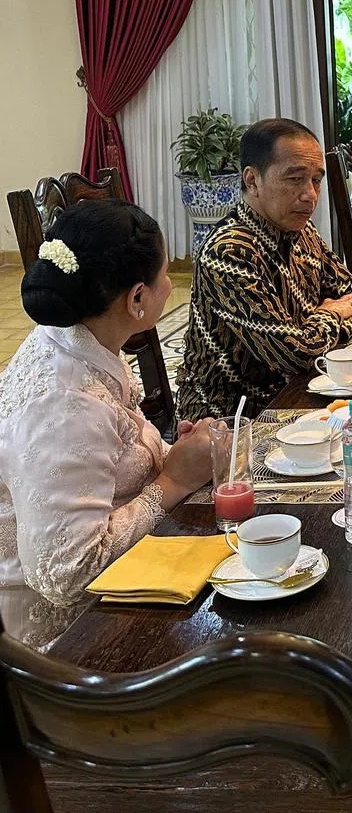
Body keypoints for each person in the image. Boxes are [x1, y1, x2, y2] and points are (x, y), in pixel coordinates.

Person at [0, 200, 215, 650]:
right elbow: (66, 572)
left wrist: (169, 453)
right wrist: (174, 480)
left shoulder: (71, 338)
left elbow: (108, 453)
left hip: (119, 592)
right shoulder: (64, 402)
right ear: (137, 298)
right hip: (68, 649)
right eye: (163, 278)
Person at [176, 117, 352, 422]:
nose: (310, 195)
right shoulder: (228, 252)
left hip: (303, 390)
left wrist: (315, 330)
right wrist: (331, 314)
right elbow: (296, 354)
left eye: (316, 180)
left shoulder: (301, 229)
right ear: (253, 181)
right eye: (295, 179)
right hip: (231, 421)